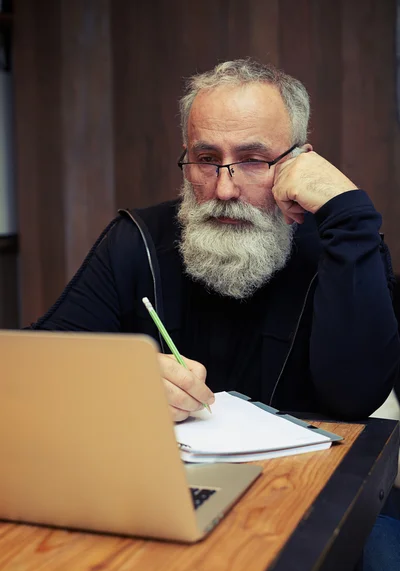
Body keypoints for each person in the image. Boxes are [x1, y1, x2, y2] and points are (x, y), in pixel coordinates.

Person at [30, 58, 400, 424]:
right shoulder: (139, 239)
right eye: (206, 158)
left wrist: (349, 212)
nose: (224, 189)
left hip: (309, 475)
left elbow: (357, 399)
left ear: (300, 161)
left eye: (253, 159)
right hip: (166, 475)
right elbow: (37, 366)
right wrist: (119, 378)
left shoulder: (339, 244)